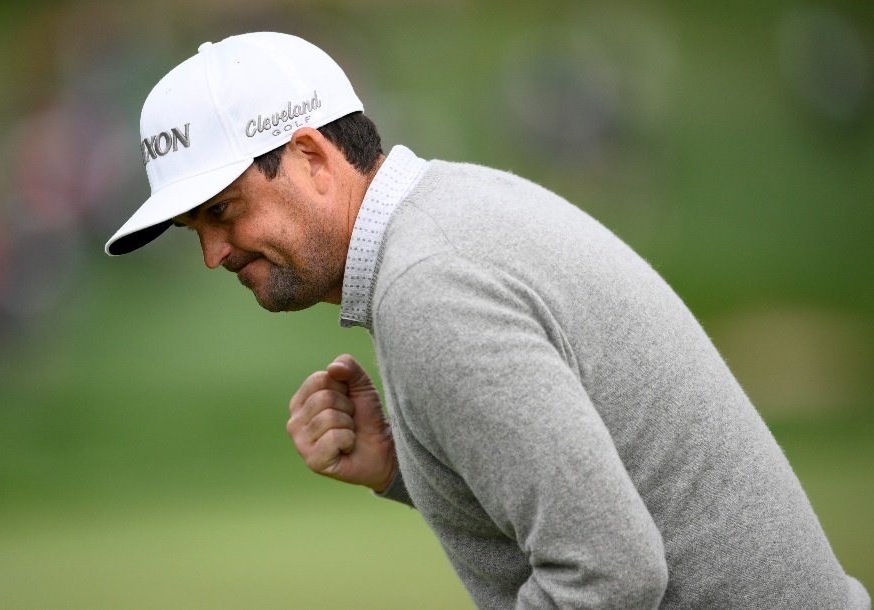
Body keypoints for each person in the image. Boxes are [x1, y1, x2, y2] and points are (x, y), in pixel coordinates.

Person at [105, 32, 870, 609]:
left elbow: (609, 574)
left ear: (310, 156)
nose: (211, 254)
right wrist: (411, 467)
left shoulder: (429, 284)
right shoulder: (450, 215)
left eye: (222, 211)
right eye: (192, 229)